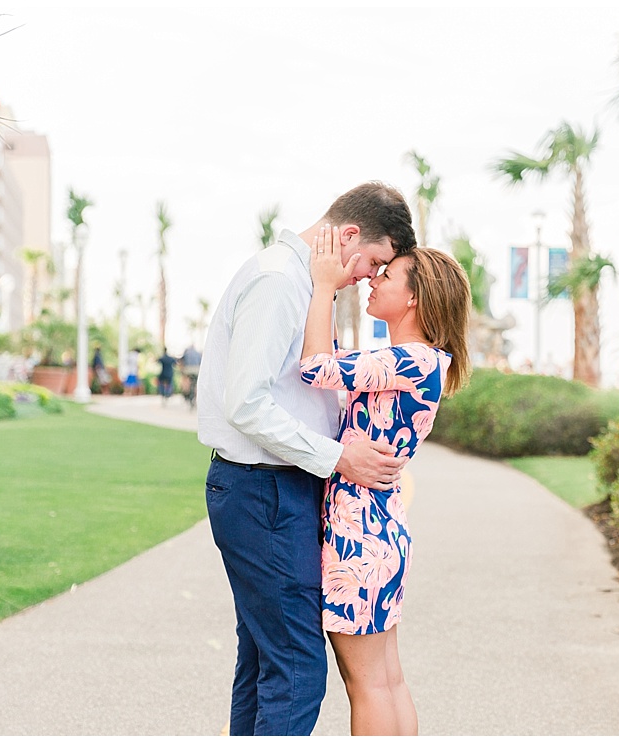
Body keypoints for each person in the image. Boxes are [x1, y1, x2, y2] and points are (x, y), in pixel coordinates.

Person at [196, 182, 415, 736]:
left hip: (276, 490)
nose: (370, 277)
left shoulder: (307, 285)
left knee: (266, 662)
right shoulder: (279, 281)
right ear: (347, 235)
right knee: (297, 669)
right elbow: (245, 404)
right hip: (262, 490)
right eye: (374, 262)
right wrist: (342, 457)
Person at [299, 226, 471, 736]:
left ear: (414, 297)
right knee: (387, 681)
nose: (374, 280)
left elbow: (313, 369)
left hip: (360, 538)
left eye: (388, 275)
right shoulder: (423, 361)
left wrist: (325, 286)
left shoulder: (409, 359)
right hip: (380, 529)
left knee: (369, 685)